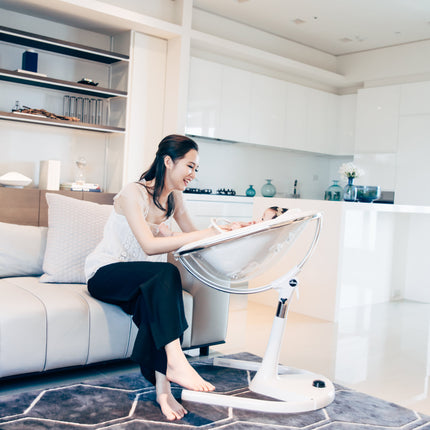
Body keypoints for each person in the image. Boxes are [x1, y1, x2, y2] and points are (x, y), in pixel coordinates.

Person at [85, 135, 218, 421]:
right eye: (190, 166)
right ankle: (178, 362)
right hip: (107, 273)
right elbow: (148, 245)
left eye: (197, 169)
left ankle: (163, 390)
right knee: (166, 273)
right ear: (168, 161)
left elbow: (194, 241)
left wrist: (229, 231)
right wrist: (204, 233)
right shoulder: (133, 193)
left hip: (146, 281)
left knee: (158, 300)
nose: (193, 175)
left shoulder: (174, 200)